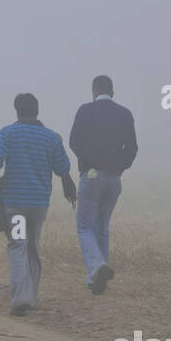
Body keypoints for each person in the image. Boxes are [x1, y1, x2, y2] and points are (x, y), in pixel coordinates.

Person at [0, 93, 76, 316]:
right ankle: (31, 295)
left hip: (14, 203)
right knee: (33, 248)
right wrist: (67, 183)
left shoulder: (7, 133)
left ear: (16, 110)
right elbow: (62, 168)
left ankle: (21, 298)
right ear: (38, 110)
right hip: (38, 204)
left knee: (17, 245)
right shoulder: (51, 137)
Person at [68, 75, 138, 295]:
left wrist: (88, 161)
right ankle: (97, 279)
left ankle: (97, 266)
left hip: (91, 174)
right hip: (114, 178)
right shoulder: (125, 114)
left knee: (84, 226)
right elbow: (133, 147)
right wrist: (120, 166)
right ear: (113, 92)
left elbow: (74, 141)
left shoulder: (85, 111)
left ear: (94, 91)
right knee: (102, 227)